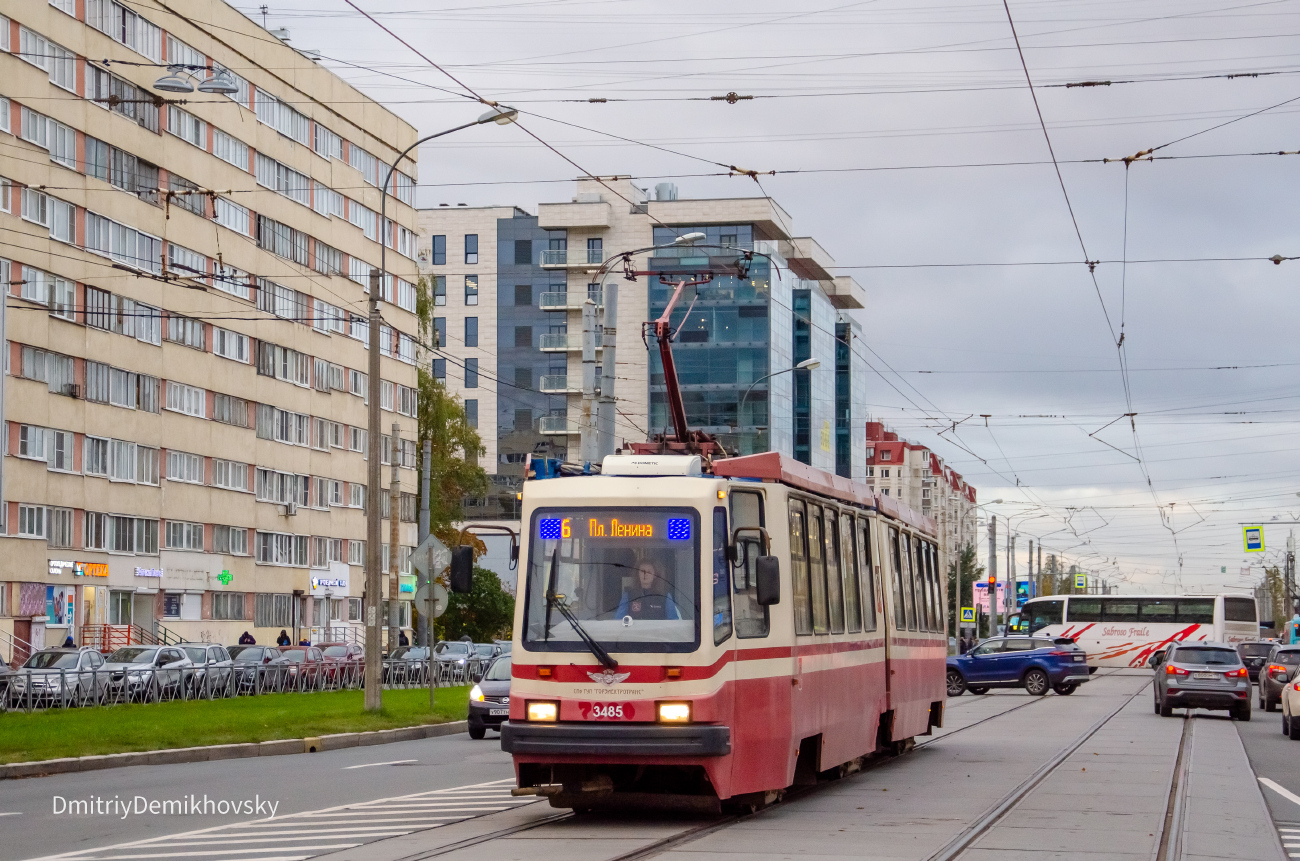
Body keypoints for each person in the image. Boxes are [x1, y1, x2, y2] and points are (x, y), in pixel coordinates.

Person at [616, 561, 680, 620]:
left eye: (649, 572)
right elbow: (618, 620)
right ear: (637, 574)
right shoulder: (628, 595)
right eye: (642, 571)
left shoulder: (665, 596)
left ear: (655, 575)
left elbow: (674, 621)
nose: (645, 574)